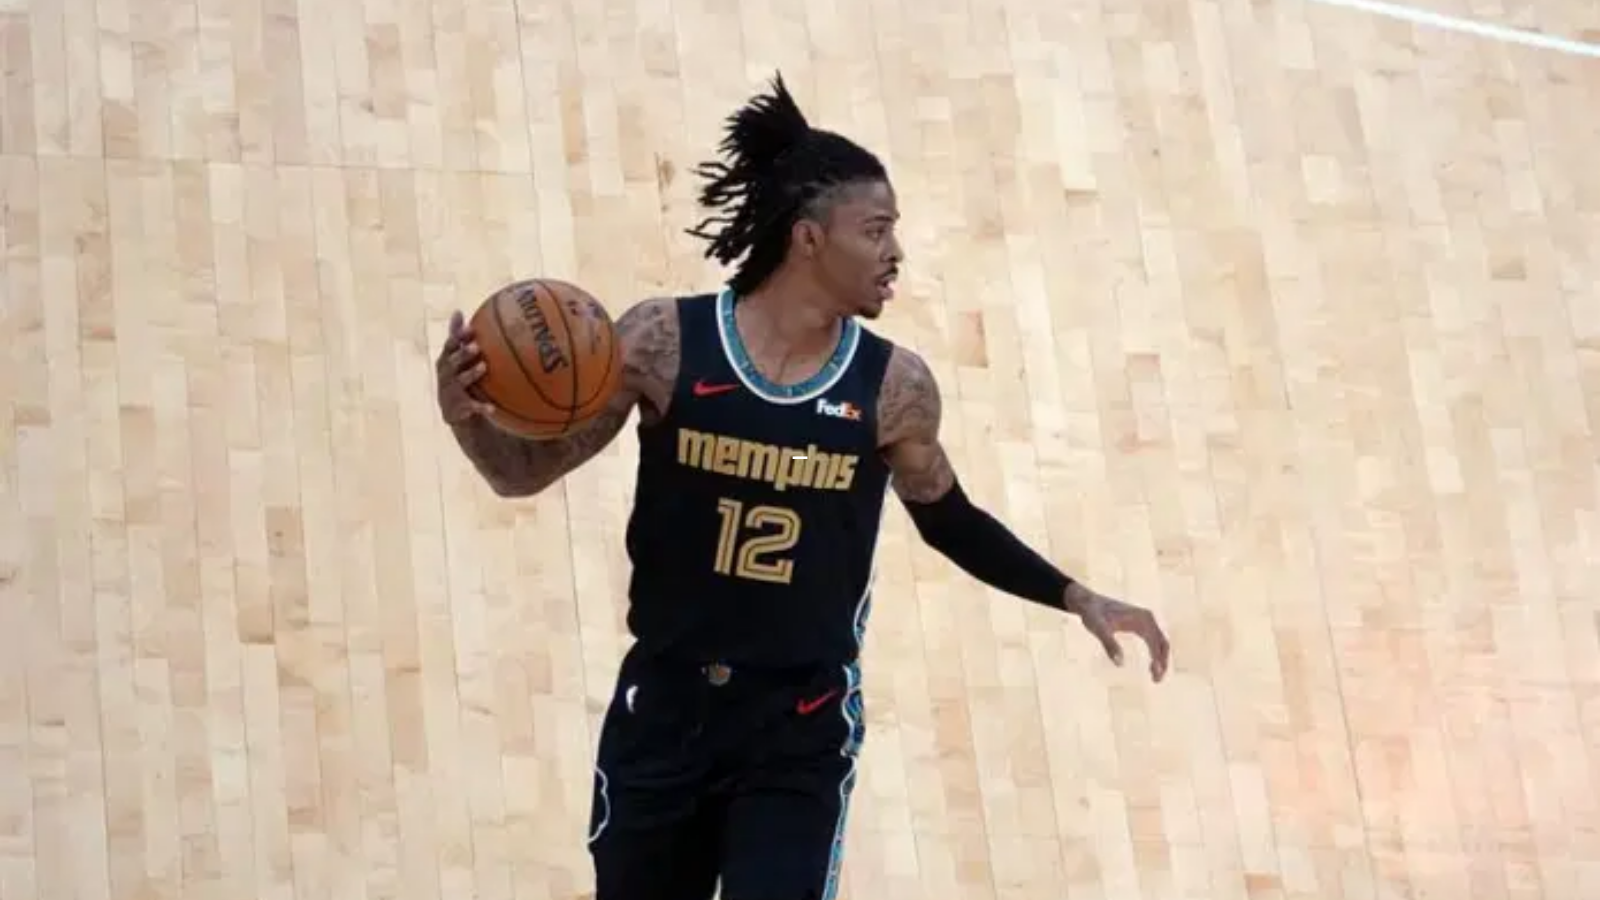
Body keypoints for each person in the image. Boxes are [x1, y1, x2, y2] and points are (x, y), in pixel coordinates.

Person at [435, 73, 1170, 900]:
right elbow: (521, 473)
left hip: (797, 727)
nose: (896, 254)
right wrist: (467, 418)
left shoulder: (894, 388)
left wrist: (1073, 594)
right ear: (810, 239)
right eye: (877, 230)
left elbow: (948, 519)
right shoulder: (661, 344)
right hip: (665, 709)